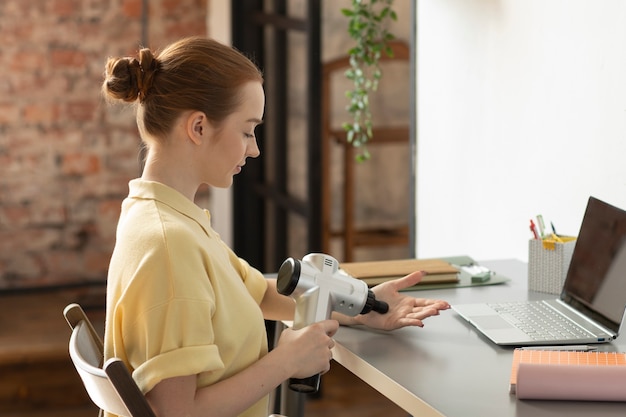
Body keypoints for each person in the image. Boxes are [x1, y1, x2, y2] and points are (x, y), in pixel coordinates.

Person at [101, 36, 450, 417]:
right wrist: (285, 362)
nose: (255, 149)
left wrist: (364, 307)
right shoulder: (169, 245)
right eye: (248, 131)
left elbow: (258, 293)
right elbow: (175, 414)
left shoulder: (161, 215)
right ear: (198, 128)